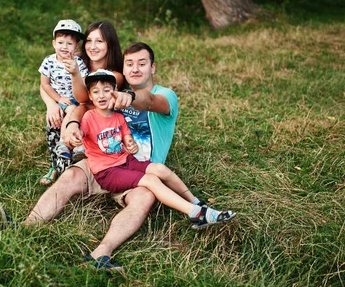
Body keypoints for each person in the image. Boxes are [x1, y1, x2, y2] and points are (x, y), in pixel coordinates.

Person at [0, 42, 236, 270]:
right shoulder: (111, 92)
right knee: (70, 176)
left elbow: (148, 101)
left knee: (144, 197)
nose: (135, 68)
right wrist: (73, 125)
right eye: (129, 64)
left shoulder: (164, 95)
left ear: (153, 67)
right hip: (102, 163)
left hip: (137, 167)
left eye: (142, 63)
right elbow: (83, 107)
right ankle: (22, 227)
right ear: (123, 68)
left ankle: (101, 253)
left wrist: (129, 97)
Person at [77, 69, 235, 228]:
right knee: (151, 179)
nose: (101, 95)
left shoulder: (118, 117)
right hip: (107, 171)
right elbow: (81, 132)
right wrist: (74, 135)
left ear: (115, 92)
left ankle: (197, 203)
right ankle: (196, 214)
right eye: (96, 92)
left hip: (126, 160)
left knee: (159, 169)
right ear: (90, 96)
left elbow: (128, 140)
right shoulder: (89, 117)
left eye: (106, 90)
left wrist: (132, 145)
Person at [39, 21, 126, 181]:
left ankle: (74, 160)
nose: (93, 46)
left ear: (110, 44)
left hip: (95, 125)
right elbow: (45, 82)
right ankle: (57, 164)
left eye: (99, 41)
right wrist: (51, 104)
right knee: (57, 116)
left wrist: (75, 74)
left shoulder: (114, 75)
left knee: (78, 107)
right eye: (89, 41)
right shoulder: (74, 58)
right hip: (68, 111)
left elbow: (83, 99)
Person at [38, 19, 88, 186]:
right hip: (59, 101)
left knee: (74, 110)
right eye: (60, 42)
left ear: (76, 46)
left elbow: (85, 83)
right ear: (53, 43)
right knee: (53, 125)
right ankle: (53, 167)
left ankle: (68, 155)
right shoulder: (49, 61)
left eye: (69, 43)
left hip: (76, 101)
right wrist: (57, 100)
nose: (64, 47)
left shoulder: (79, 63)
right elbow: (44, 84)